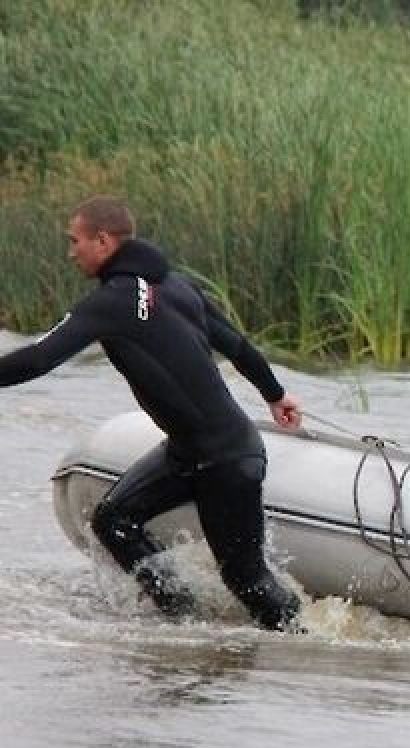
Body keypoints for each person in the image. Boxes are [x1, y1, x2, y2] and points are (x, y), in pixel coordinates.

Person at [0, 195, 304, 631]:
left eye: (75, 241)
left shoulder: (111, 302)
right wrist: (275, 394)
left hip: (225, 459)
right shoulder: (178, 286)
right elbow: (237, 346)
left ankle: (301, 640)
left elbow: (36, 359)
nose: (71, 252)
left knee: (245, 578)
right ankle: (181, 616)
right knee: (113, 520)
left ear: (103, 241)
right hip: (190, 453)